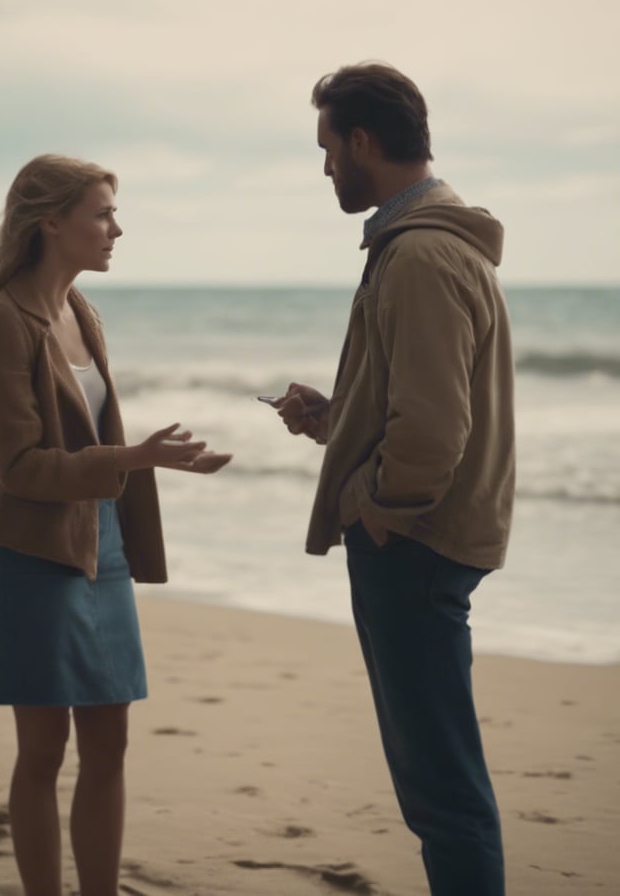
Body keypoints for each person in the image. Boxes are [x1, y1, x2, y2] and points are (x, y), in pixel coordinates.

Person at [270, 63, 514, 896]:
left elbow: (434, 434)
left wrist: (376, 508)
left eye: (329, 149)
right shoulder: (429, 247)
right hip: (425, 537)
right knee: (439, 783)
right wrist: (337, 421)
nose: (327, 168)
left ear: (363, 142)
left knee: (441, 792)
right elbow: (420, 407)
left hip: (414, 543)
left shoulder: (419, 255)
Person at [0, 154, 231, 896]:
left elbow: (89, 442)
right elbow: (19, 467)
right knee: (44, 750)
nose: (116, 228)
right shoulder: (1, 323)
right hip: (36, 555)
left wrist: (157, 460)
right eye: (103, 213)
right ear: (52, 222)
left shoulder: (84, 312)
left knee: (109, 745)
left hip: (104, 547)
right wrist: (132, 454)